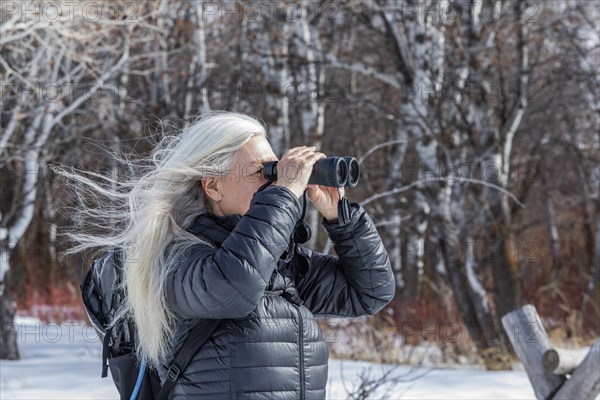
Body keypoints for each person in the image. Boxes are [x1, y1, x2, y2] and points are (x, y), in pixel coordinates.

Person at [69, 111, 395, 399]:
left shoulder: (280, 265)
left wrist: (342, 218)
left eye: (275, 170)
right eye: (261, 172)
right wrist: (283, 194)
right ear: (213, 186)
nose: (274, 182)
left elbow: (368, 291)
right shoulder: (177, 260)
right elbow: (235, 285)